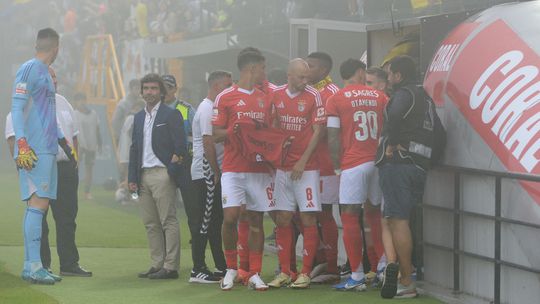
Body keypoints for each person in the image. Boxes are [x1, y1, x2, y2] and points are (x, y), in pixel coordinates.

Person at [11, 27, 73, 285]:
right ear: (56, 48)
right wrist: (23, 144)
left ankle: (34, 265)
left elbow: (47, 112)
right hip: (34, 148)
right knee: (37, 205)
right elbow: (16, 106)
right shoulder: (28, 68)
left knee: (41, 205)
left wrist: (64, 143)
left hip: (48, 148)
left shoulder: (47, 74)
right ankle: (32, 266)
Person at [212, 48, 275, 291]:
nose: (264, 73)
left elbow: (272, 132)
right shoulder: (225, 97)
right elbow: (215, 133)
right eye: (263, 68)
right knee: (230, 217)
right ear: (252, 69)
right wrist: (230, 132)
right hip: (233, 168)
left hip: (259, 169)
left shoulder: (266, 97)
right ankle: (230, 269)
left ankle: (254, 273)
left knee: (257, 219)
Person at [326, 59, 387, 291]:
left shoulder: (337, 98)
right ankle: (382, 266)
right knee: (375, 212)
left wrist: (337, 168)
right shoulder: (380, 97)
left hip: (353, 163)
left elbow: (332, 136)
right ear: (360, 73)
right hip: (377, 162)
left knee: (349, 215)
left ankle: (357, 275)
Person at [267, 59, 324, 289]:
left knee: (308, 218)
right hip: (282, 169)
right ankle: (285, 271)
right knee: (282, 218)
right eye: (301, 77)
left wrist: (302, 161)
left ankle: (306, 272)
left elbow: (318, 130)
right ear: (289, 75)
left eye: (307, 76)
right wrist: (275, 154)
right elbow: (272, 127)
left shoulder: (314, 95)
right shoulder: (276, 95)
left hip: (306, 169)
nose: (305, 80)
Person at [376, 55, 427, 299]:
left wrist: (391, 144)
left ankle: (406, 279)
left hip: (398, 165)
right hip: (418, 165)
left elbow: (394, 117)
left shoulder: (404, 94)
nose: (388, 79)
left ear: (399, 76)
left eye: (389, 74)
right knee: (399, 219)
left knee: (397, 220)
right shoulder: (423, 95)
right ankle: (403, 271)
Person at [128, 73, 187, 280]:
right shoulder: (138, 117)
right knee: (150, 223)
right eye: (146, 89)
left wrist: (171, 169)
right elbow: (134, 149)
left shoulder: (171, 115)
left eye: (154, 88)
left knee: (168, 220)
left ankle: (171, 267)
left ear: (161, 92)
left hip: (162, 174)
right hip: (143, 174)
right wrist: (132, 178)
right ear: (141, 92)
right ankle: (157, 264)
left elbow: (181, 145)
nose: (149, 92)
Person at [188, 70, 233, 283]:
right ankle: (197, 268)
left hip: (210, 171)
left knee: (215, 220)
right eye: (228, 85)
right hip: (206, 171)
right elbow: (208, 142)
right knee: (205, 221)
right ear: (216, 87)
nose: (231, 89)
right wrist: (216, 171)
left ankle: (221, 266)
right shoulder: (208, 108)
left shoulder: (211, 107)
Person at [305, 51, 340, 283]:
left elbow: (333, 131)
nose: (307, 70)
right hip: (307, 164)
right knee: (309, 213)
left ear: (325, 70)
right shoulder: (306, 92)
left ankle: (332, 265)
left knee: (325, 212)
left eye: (312, 66)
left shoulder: (332, 93)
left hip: (327, 165)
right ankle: (317, 260)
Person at [72, 92, 102, 200]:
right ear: (75, 102)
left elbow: (97, 128)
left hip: (91, 145)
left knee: (89, 168)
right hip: (79, 144)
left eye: (82, 100)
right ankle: (72, 191)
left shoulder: (93, 114)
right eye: (78, 100)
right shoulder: (74, 113)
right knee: (75, 167)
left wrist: (100, 143)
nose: (81, 102)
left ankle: (87, 192)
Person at [112, 79, 143, 143]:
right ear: (130, 89)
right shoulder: (123, 104)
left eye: (140, 89)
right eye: (136, 89)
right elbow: (115, 121)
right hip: (125, 139)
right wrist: (121, 136)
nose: (139, 91)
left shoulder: (142, 102)